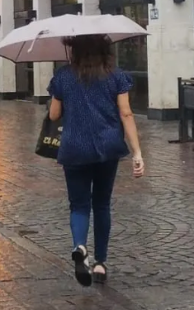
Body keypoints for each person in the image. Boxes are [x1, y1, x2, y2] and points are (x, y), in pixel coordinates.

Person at [47, 34, 145, 287]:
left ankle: (80, 247)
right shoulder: (115, 76)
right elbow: (126, 113)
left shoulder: (64, 76)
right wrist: (137, 153)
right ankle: (100, 263)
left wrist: (60, 95)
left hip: (74, 148)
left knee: (79, 205)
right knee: (101, 204)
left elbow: (54, 114)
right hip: (107, 147)